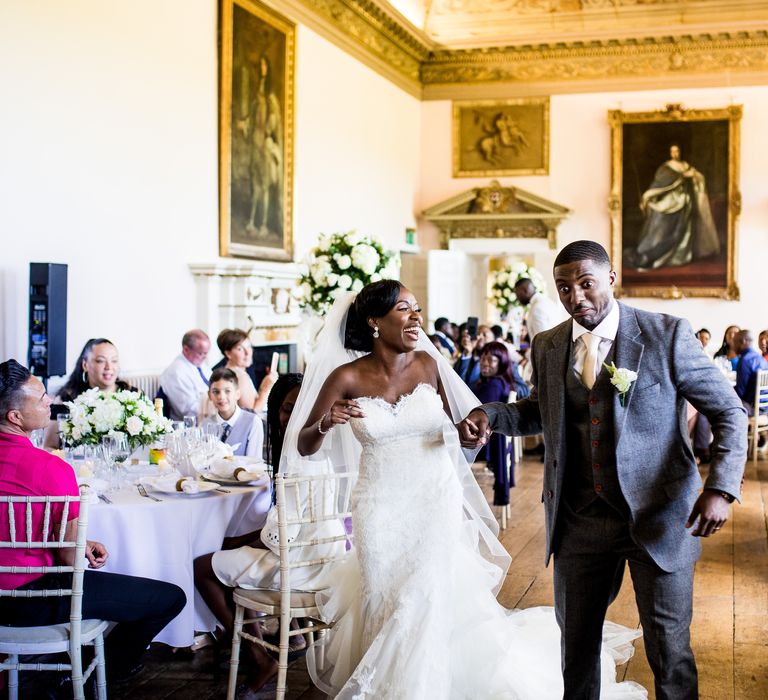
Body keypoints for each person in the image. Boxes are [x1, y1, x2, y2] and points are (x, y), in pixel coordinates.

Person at [290, 280, 645, 699]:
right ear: (374, 321)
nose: (416, 317)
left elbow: (455, 430)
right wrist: (327, 422)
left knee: (425, 596)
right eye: (404, 309)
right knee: (387, 597)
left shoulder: (427, 364)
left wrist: (469, 432)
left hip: (434, 497)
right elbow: (304, 444)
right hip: (379, 506)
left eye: (417, 308)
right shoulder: (345, 376)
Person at [459, 240, 746, 699]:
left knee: (669, 649)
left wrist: (721, 488)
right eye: (564, 288)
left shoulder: (666, 334)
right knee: (576, 647)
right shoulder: (550, 344)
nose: (576, 297)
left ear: (611, 279)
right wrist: (491, 416)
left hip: (659, 517)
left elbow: (730, 411)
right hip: (578, 519)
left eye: (586, 283)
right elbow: (538, 411)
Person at [0, 360, 186, 688]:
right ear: (15, 417)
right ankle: (89, 673)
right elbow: (69, 560)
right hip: (31, 599)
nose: (50, 402)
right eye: (42, 398)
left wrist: (78, 542)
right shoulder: (51, 468)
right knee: (171, 597)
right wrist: (79, 546)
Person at [193, 373, 339, 698]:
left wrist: (240, 541)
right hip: (325, 560)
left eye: (298, 407)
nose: (293, 416)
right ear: (274, 412)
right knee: (234, 552)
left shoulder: (295, 458)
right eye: (287, 409)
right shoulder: (322, 449)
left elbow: (281, 538)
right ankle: (285, 636)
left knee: (203, 566)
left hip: (297, 568)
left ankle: (257, 658)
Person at [625, 144, 720, 270]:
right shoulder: (666, 168)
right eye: (673, 151)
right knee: (661, 231)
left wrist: (693, 176)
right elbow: (659, 183)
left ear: (680, 152)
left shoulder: (686, 166)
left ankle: (676, 257)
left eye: (677, 151)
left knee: (680, 233)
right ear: (670, 153)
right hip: (668, 204)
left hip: (684, 203)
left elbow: (699, 178)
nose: (675, 154)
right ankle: (649, 255)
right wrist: (682, 176)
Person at [46, 338, 136, 447]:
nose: (109, 367)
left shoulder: (132, 396)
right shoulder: (67, 399)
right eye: (100, 361)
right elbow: (49, 446)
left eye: (114, 360)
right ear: (85, 365)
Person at [472, 341, 527, 507]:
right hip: (494, 445)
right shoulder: (499, 382)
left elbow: (476, 416)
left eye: (491, 359)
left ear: (502, 362)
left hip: (484, 447)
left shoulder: (494, 385)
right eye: (482, 358)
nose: (485, 362)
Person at [202, 368, 263, 458]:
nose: (221, 397)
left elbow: (254, 463)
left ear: (237, 394)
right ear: (209, 395)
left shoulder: (253, 422)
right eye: (216, 392)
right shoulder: (205, 424)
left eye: (227, 391)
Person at [216, 329, 277, 413]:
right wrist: (265, 389)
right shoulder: (240, 376)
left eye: (249, 347)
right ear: (228, 354)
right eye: (240, 349)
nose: (248, 353)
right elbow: (251, 414)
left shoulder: (225, 372)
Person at [158, 329, 212, 421]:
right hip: (190, 425)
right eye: (201, 353)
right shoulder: (176, 372)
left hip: (210, 415)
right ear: (186, 349)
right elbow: (189, 409)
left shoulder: (201, 366)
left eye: (206, 353)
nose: (205, 357)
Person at [733, 329, 768, 415]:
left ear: (743, 341)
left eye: (735, 342)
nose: (733, 346)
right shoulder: (761, 359)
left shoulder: (745, 360)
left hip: (753, 408)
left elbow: (740, 393)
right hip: (765, 407)